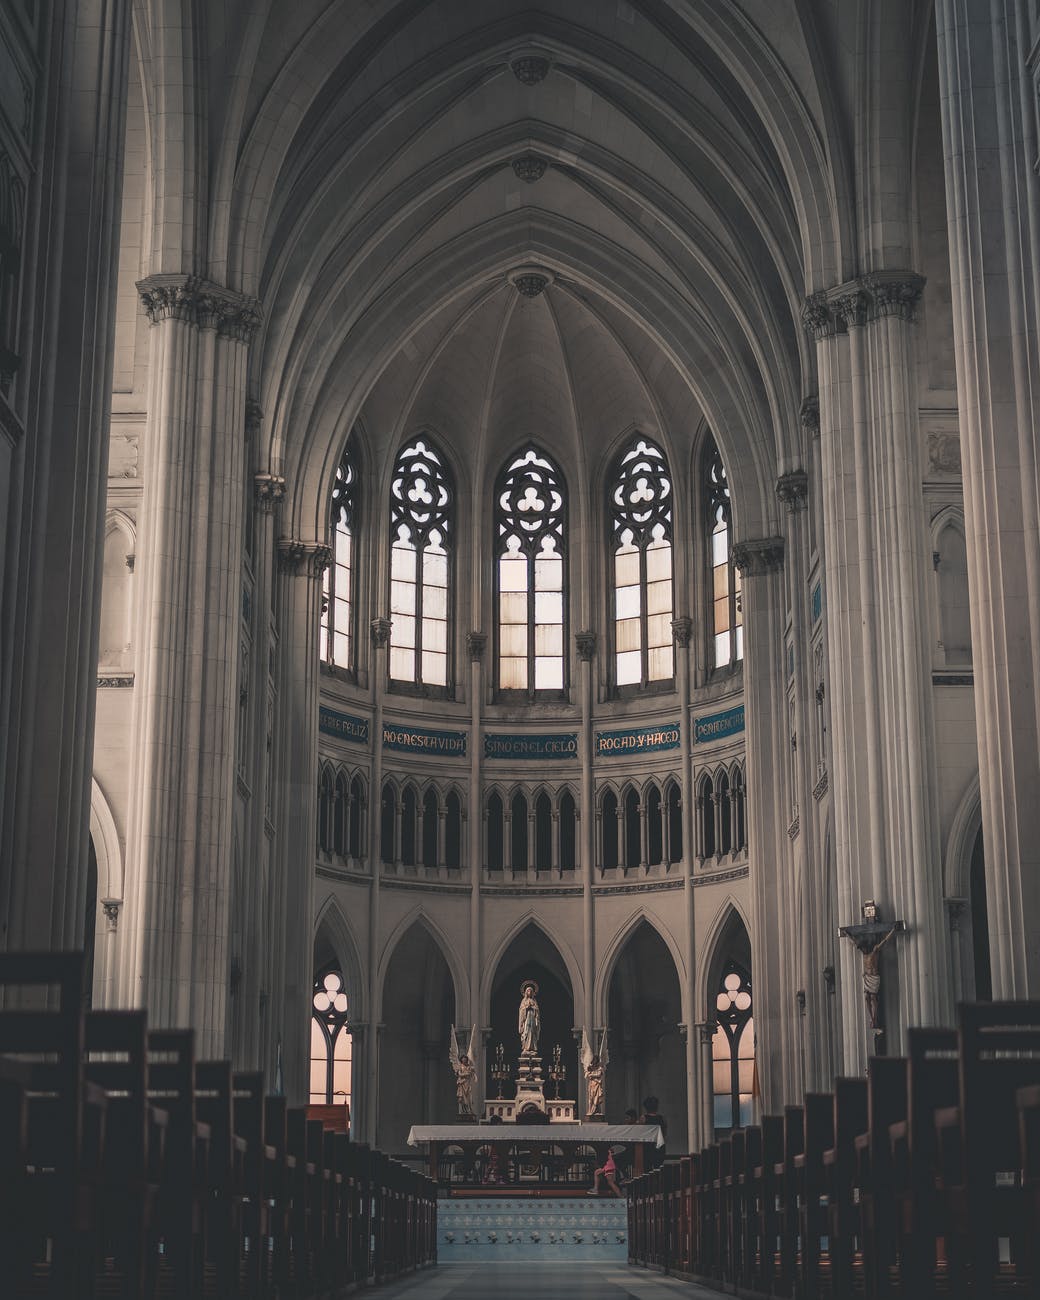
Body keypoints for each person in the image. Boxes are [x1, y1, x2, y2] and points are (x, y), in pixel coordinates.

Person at [640, 1096, 667, 1169]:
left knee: (647, 1169)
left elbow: (640, 1133)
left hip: (647, 1146)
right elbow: (664, 1133)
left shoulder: (643, 1118)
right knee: (658, 1168)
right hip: (659, 1145)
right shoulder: (662, 1118)